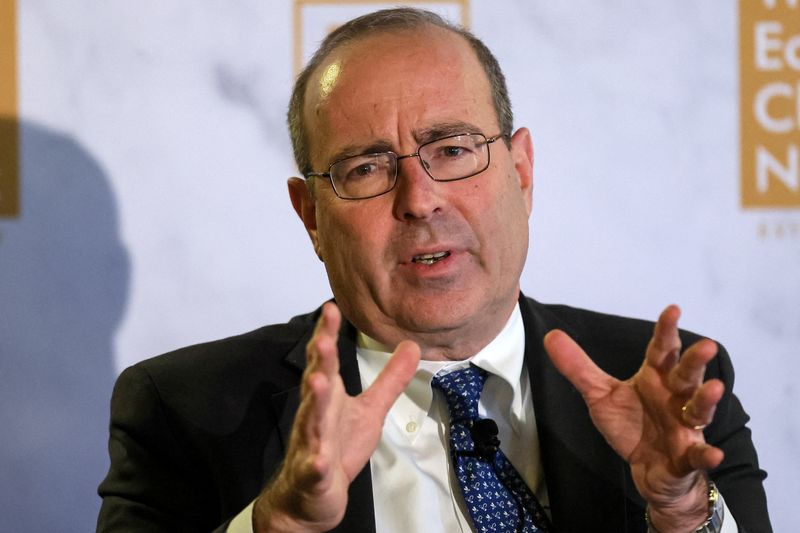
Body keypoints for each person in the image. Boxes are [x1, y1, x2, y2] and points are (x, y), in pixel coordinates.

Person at [97, 8, 770, 533]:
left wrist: (682, 511)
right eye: (365, 168)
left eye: (451, 149)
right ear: (310, 215)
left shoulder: (673, 389)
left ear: (522, 172)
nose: (419, 199)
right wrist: (283, 521)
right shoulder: (186, 409)